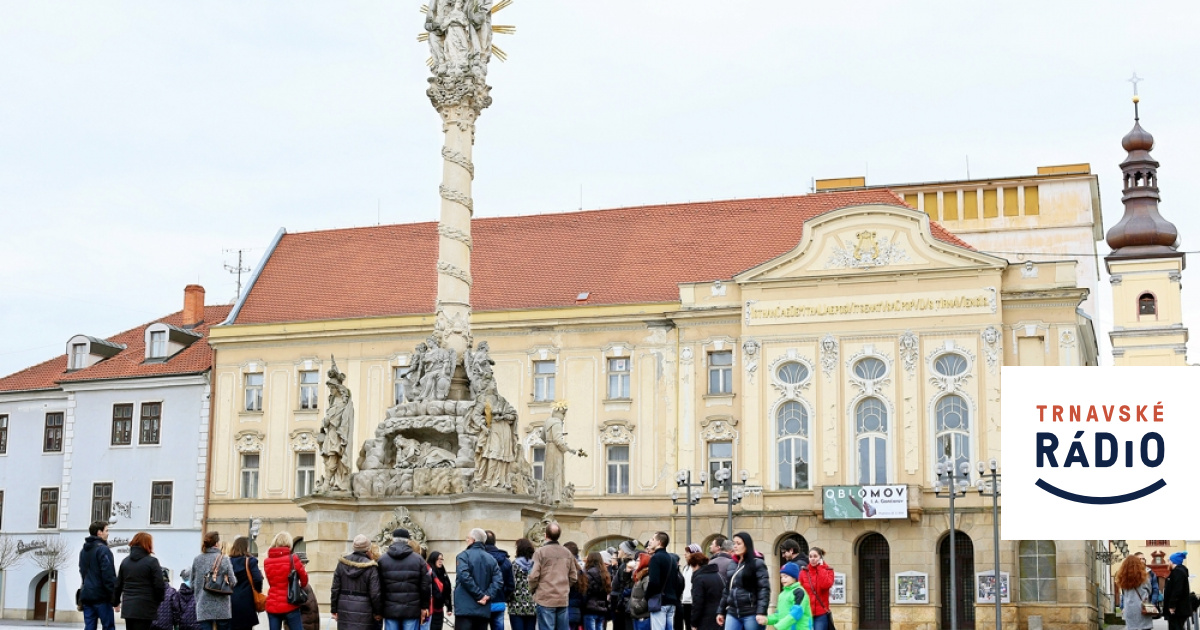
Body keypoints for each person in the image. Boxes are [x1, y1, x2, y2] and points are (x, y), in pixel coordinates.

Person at [528, 522, 579, 630]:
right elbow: (574, 576)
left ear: (545, 535)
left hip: (545, 596)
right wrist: (564, 586)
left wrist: (533, 589)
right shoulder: (567, 553)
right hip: (562, 597)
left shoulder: (540, 552)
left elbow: (533, 576)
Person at [379, 528, 432, 630]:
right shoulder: (418, 559)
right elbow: (425, 586)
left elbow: (378, 588)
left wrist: (378, 609)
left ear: (392, 540)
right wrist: (424, 607)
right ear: (408, 541)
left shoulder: (382, 560)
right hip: (412, 610)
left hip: (390, 609)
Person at [716, 532, 770, 630]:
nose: (735, 546)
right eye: (734, 543)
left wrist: (761, 612)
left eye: (738, 543)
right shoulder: (732, 563)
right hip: (732, 612)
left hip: (751, 613)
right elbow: (727, 589)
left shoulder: (757, 563)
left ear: (747, 545)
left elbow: (764, 589)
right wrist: (720, 611)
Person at [114, 532, 167, 630]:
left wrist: (116, 602)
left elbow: (118, 584)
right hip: (146, 606)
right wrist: (159, 600)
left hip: (128, 607)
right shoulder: (152, 562)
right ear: (147, 544)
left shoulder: (125, 562)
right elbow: (159, 584)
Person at [454, 528, 504, 630]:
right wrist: (487, 595)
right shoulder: (492, 559)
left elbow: (464, 577)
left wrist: (479, 595)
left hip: (465, 609)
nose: (466, 541)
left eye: (467, 538)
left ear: (473, 540)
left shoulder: (463, 556)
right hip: (483, 610)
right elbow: (498, 581)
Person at [331, 535, 383, 630]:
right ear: (368, 548)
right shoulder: (371, 567)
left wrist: (334, 609)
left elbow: (335, 588)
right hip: (365, 609)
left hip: (344, 608)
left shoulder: (342, 564)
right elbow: (375, 593)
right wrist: (378, 612)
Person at [262, 532, 309, 630]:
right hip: (290, 602)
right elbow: (304, 579)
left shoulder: (267, 562)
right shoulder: (293, 559)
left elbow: (271, 581)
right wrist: (300, 586)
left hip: (273, 603)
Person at [193, 531, 237, 630]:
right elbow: (233, 581)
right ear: (216, 544)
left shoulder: (197, 559)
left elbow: (192, 582)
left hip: (203, 605)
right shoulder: (224, 559)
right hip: (222, 606)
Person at [80, 520, 119, 630]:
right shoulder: (103, 549)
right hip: (101, 596)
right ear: (99, 532)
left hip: (87, 594)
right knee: (108, 627)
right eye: (106, 530)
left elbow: (82, 571)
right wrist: (114, 597)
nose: (108, 533)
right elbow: (108, 574)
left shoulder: (84, 551)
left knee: (89, 627)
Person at [645, 532, 680, 630]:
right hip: (671, 601)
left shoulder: (655, 558)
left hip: (659, 601)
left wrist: (647, 596)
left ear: (659, 542)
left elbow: (654, 582)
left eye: (653, 539)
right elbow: (677, 581)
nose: (650, 541)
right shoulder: (672, 559)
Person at [229, 537, 264, 630]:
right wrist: (257, 590)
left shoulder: (228, 562)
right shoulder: (250, 561)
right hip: (247, 600)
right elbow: (257, 579)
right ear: (246, 547)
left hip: (230, 601)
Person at [484, 531, 515, 630]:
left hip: (481, 602)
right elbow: (511, 585)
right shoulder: (505, 560)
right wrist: (502, 594)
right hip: (499, 602)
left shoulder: (479, 558)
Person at [797, 547, 833, 630]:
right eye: (810, 556)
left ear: (820, 557)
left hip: (821, 614)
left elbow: (825, 585)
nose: (812, 559)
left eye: (815, 556)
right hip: (806, 613)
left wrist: (821, 568)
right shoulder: (803, 572)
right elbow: (800, 591)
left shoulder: (828, 571)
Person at [766, 563, 811, 630]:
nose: (782, 579)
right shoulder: (782, 594)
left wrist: (780, 625)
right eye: (781, 577)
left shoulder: (799, 592)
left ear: (794, 577)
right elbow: (778, 614)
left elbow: (797, 613)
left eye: (785, 576)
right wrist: (767, 620)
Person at [1115, 555, 1154, 630]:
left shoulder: (1122, 580)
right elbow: (1149, 591)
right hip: (1142, 610)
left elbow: (1123, 595)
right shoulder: (1144, 579)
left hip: (1129, 610)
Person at [687, 554, 721, 630]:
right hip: (718, 616)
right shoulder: (718, 575)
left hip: (704, 619)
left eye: (692, 566)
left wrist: (694, 622)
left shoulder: (699, 579)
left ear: (696, 565)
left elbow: (697, 602)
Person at [509, 539, 538, 630]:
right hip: (532, 604)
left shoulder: (514, 564)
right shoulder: (535, 565)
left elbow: (510, 583)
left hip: (516, 604)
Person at [583, 552, 611, 630]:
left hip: (590, 608)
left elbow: (586, 592)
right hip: (602, 608)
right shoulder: (605, 574)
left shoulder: (587, 574)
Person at [1164, 551, 1190, 630]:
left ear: (1173, 561)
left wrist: (1172, 606)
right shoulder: (1178, 572)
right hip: (1178, 609)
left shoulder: (1178, 572)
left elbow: (1177, 591)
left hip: (1177, 610)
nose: (1167, 563)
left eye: (1169, 561)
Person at [427, 551, 453, 630]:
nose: (440, 561)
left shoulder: (442, 572)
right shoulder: (429, 572)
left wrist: (449, 607)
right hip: (431, 608)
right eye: (438, 559)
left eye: (441, 559)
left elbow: (448, 589)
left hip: (439, 608)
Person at [676, 545, 700, 630]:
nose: (685, 554)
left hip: (693, 601)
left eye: (688, 552)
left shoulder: (697, 567)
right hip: (685, 601)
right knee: (687, 625)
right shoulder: (686, 567)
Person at [628, 554, 652, 630]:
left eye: (638, 560)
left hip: (643, 617)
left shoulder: (646, 578)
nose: (635, 562)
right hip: (637, 616)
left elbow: (649, 595)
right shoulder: (639, 576)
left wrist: (639, 607)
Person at [298, 555, 320, 630]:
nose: (304, 565)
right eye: (302, 563)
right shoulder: (293, 582)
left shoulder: (306, 584)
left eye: (305, 563)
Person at [568, 563, 588, 630]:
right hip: (577, 614)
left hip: (567, 612)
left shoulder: (568, 585)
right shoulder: (582, 587)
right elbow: (584, 601)